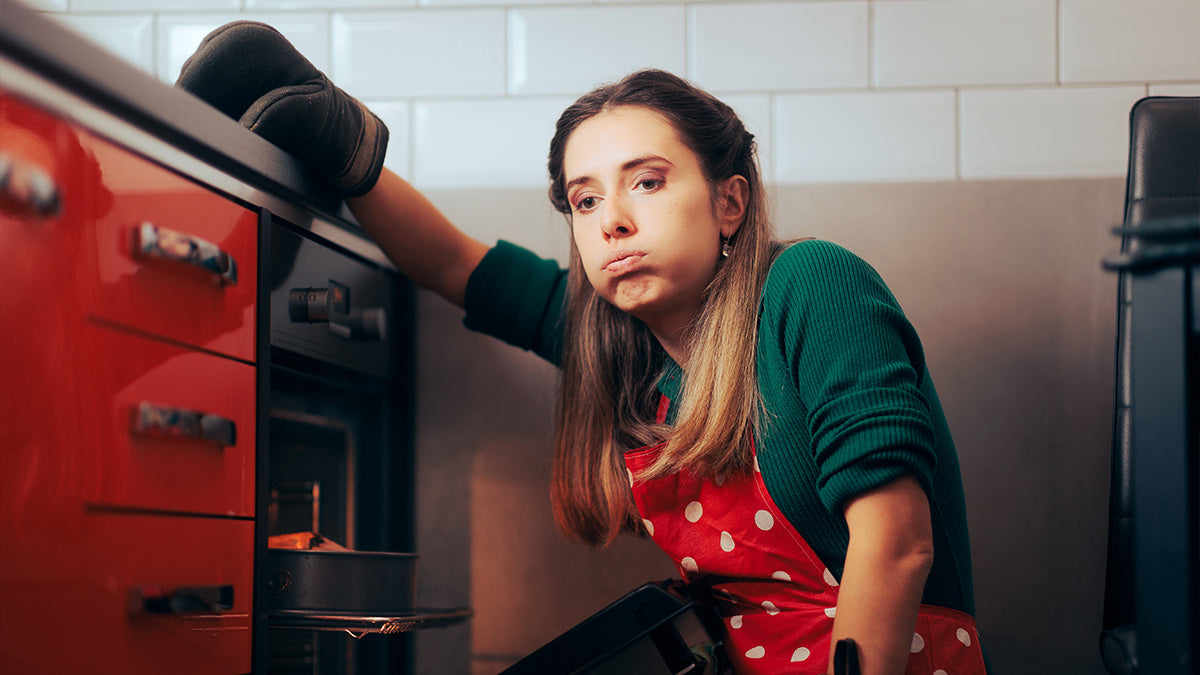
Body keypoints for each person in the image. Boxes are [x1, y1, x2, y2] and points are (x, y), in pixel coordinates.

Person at [178, 22, 990, 675]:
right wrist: (347, 147)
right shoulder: (619, 346)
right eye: (585, 197)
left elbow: (897, 541)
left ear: (730, 200)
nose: (612, 221)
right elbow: (457, 265)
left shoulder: (814, 287)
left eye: (647, 180)